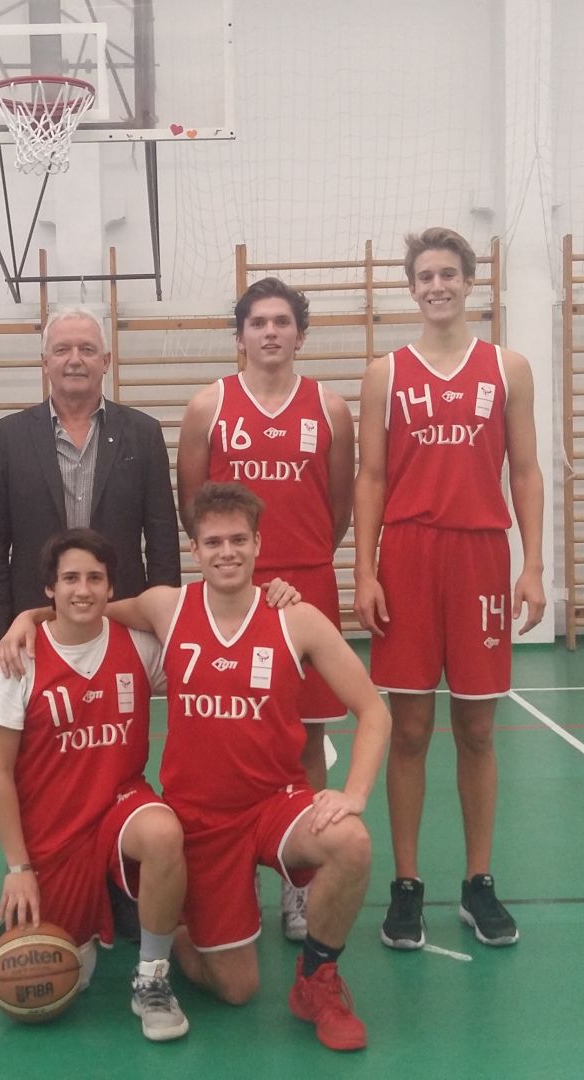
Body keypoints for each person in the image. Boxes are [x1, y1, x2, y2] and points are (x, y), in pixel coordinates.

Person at [0, 482, 389, 1051]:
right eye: (213, 542)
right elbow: (85, 608)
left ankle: (317, 981)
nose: (227, 552)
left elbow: (374, 709)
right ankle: (181, 924)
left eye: (238, 540)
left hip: (275, 804)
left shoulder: (296, 618)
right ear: (195, 550)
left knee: (351, 841)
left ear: (258, 544)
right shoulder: (168, 606)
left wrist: (353, 793)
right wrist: (26, 619)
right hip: (201, 824)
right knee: (237, 989)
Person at [351, 227, 546, 951]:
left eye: (448, 274)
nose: (437, 285)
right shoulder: (385, 374)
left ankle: (477, 882)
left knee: (478, 729)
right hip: (408, 553)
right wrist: (364, 569)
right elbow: (371, 477)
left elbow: (526, 470)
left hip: (479, 554)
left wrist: (533, 565)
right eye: (425, 276)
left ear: (470, 282)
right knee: (408, 730)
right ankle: (406, 885)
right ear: (412, 288)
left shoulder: (508, 368)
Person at [176, 276, 355, 943]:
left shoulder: (330, 408)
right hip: (232, 590)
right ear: (240, 336)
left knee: (305, 738)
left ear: (300, 335)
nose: (271, 332)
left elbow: (338, 507)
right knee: (232, 735)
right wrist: (241, 573)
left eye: (283, 322)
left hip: (307, 585)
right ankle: (233, 869)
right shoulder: (208, 407)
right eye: (258, 322)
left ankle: (296, 881)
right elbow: (194, 508)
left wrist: (300, 565)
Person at [0, 528, 189, 1043]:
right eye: (70, 578)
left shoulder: (139, 647)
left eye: (95, 578)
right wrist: (18, 869)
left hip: (120, 808)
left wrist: (277, 597)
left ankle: (152, 977)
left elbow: (215, 633)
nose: (83, 589)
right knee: (60, 971)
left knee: (163, 832)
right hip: (54, 833)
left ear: (111, 588)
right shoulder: (18, 659)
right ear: (49, 588)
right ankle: (107, 914)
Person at [0, 308, 180, 662]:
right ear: (45, 362)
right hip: (34, 621)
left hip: (123, 616)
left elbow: (162, 541)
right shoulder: (8, 437)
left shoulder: (143, 433)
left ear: (106, 361)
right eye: (62, 350)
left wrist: (164, 622)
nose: (74, 360)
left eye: (87, 349)